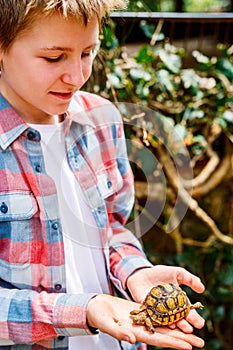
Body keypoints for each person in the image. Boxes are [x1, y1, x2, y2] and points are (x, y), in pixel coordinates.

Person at [0, 1, 205, 349]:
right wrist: (85, 310)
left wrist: (135, 272)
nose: (77, 76)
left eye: (87, 52)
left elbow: (110, 227)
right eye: (54, 58)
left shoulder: (101, 119)